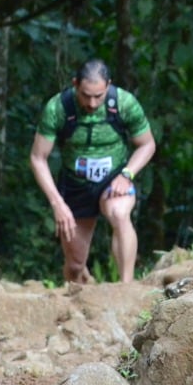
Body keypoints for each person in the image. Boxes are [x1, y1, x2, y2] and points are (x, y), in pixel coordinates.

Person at [28, 59, 157, 284]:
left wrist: (127, 174)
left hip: (113, 178)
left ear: (108, 85)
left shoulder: (124, 103)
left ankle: (127, 287)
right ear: (75, 84)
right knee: (75, 265)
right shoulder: (59, 107)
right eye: (86, 95)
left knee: (119, 214)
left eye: (99, 96)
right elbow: (38, 158)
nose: (92, 103)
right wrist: (58, 204)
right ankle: (81, 297)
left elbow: (147, 144)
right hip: (75, 183)